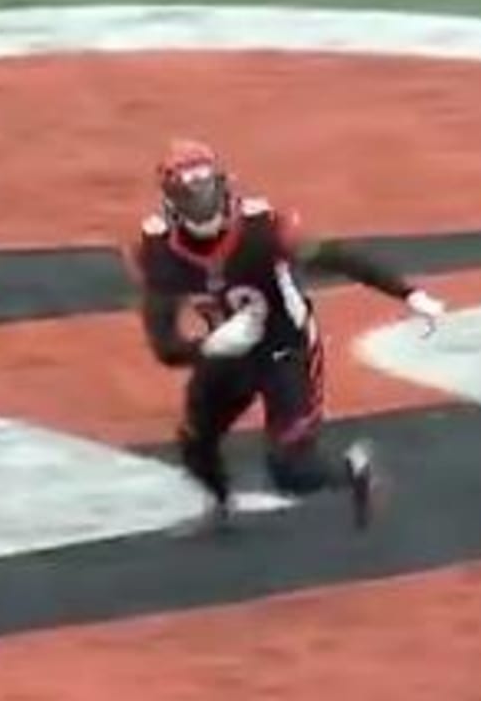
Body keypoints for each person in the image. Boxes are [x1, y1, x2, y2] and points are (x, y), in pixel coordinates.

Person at [128, 138, 445, 531]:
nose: (205, 205)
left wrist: (407, 293)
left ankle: (354, 471)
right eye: (193, 196)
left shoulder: (261, 228)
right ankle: (221, 504)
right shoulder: (161, 247)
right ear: (173, 202)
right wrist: (209, 346)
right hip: (229, 351)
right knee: (196, 441)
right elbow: (164, 344)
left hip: (285, 348)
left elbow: (334, 256)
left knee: (290, 470)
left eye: (209, 190)